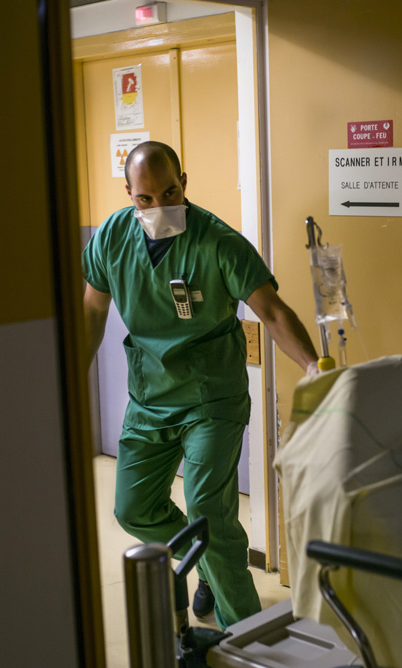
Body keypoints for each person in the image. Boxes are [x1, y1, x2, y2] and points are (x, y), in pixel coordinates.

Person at [82, 141, 320, 630]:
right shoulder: (111, 239)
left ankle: (250, 641)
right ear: (129, 194)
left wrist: (314, 367)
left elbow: (271, 311)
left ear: (184, 182)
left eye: (170, 192)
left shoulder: (218, 242)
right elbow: (91, 312)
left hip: (211, 397)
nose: (160, 206)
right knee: (133, 509)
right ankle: (208, 559)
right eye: (145, 198)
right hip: (149, 396)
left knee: (208, 511)